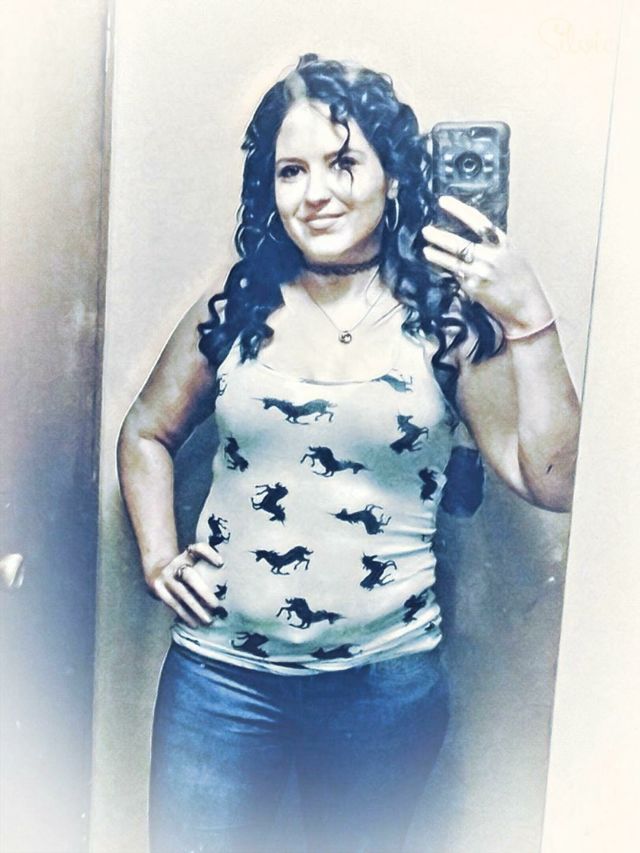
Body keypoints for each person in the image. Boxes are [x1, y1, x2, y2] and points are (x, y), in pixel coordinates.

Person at [117, 54, 580, 853]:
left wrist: (530, 319)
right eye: (290, 171)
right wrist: (160, 556)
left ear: (391, 177)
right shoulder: (237, 305)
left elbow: (555, 481)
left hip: (383, 687)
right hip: (221, 683)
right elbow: (145, 432)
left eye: (342, 163)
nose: (316, 193)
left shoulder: (443, 320)